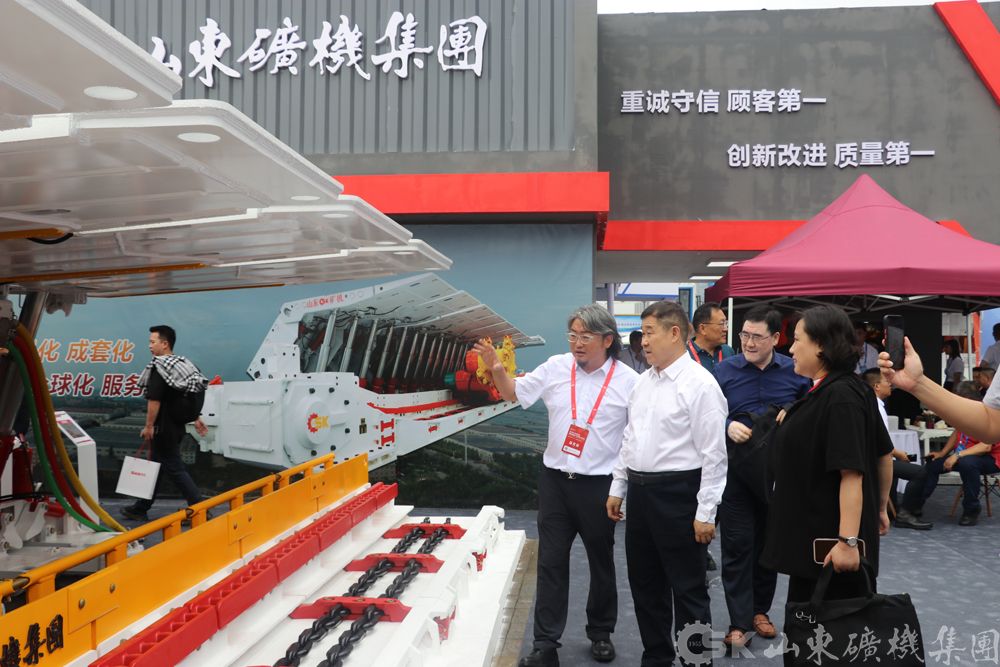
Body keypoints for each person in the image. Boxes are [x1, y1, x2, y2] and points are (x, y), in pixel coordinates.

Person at [475, 305, 639, 667]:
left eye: (585, 336)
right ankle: (545, 644)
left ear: (607, 340)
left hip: (599, 486)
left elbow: (634, 439)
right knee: (550, 562)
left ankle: (601, 632)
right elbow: (512, 394)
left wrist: (621, 487)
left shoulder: (629, 382)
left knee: (601, 561)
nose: (577, 343)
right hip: (555, 483)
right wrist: (497, 367)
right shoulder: (555, 367)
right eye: (573, 335)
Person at [761, 305, 893, 664]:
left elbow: (852, 473)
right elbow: (883, 454)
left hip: (831, 550)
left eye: (797, 340)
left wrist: (848, 541)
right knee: (820, 639)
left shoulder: (841, 397)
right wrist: (880, 506)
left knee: (827, 641)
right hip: (820, 546)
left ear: (820, 345)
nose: (791, 349)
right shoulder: (838, 390)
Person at [606, 300, 728, 667]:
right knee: (645, 586)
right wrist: (618, 486)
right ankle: (656, 658)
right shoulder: (643, 382)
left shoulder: (700, 385)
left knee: (689, 590)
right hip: (641, 494)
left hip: (681, 495)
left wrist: (706, 512)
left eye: (649, 333)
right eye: (642, 333)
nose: (643, 341)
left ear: (675, 333)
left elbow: (714, 455)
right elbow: (630, 438)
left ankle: (696, 662)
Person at [713, 305, 811, 650]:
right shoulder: (723, 371)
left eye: (757, 336)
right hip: (736, 472)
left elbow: (812, 412)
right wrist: (727, 425)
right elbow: (705, 415)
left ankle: (759, 611)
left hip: (778, 474)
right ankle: (738, 622)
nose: (749, 343)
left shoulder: (795, 372)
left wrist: (793, 413)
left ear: (776, 338)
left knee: (769, 546)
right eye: (744, 335)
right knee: (737, 545)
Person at [121, 326, 208, 522]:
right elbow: (192, 393)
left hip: (164, 427)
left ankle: (200, 509)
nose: (149, 346)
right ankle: (140, 508)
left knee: (174, 468)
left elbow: (154, 400)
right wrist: (196, 417)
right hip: (176, 426)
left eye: (153, 342)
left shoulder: (160, 368)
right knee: (157, 467)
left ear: (165, 344)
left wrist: (149, 426)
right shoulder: (183, 365)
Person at [879, 334, 1000, 447]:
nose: (944, 349)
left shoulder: (957, 361)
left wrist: (918, 383)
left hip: (951, 384)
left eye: (946, 347)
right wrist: (917, 383)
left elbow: (991, 424)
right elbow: (991, 423)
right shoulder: (951, 360)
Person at [918, 381, 999, 526]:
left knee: (968, 463)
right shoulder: (966, 412)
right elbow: (957, 432)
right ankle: (916, 504)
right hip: (965, 456)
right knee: (933, 464)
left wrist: (957, 455)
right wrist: (942, 453)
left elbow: (985, 446)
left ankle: (971, 510)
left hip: (991, 458)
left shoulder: (989, 413)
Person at [860, 369, 933, 530]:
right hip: (873, 461)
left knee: (895, 469)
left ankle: (893, 509)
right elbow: (876, 440)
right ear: (876, 386)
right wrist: (897, 452)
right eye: (887, 382)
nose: (890, 384)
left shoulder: (872, 404)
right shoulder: (875, 407)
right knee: (920, 472)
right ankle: (905, 513)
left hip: (874, 457)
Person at [687, 302, 735, 372]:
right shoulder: (684, 355)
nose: (726, 329)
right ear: (702, 328)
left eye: (726, 323)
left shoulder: (728, 352)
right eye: (721, 323)